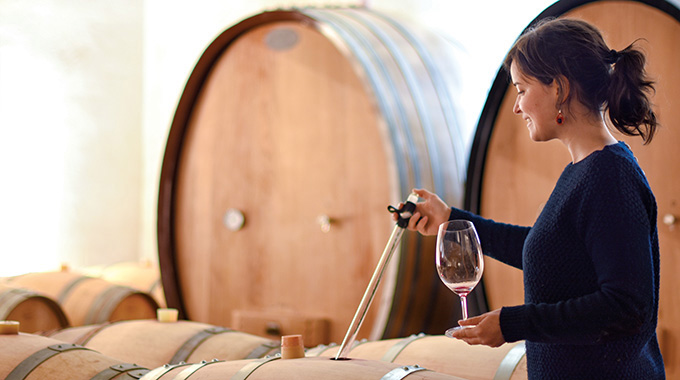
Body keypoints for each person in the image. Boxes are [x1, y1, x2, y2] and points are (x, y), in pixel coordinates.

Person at [397, 18, 665, 379]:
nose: (516, 106)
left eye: (522, 89)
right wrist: (450, 219)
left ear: (559, 88)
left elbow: (626, 307)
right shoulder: (585, 170)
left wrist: (513, 323)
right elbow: (551, 252)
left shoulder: (609, 177)